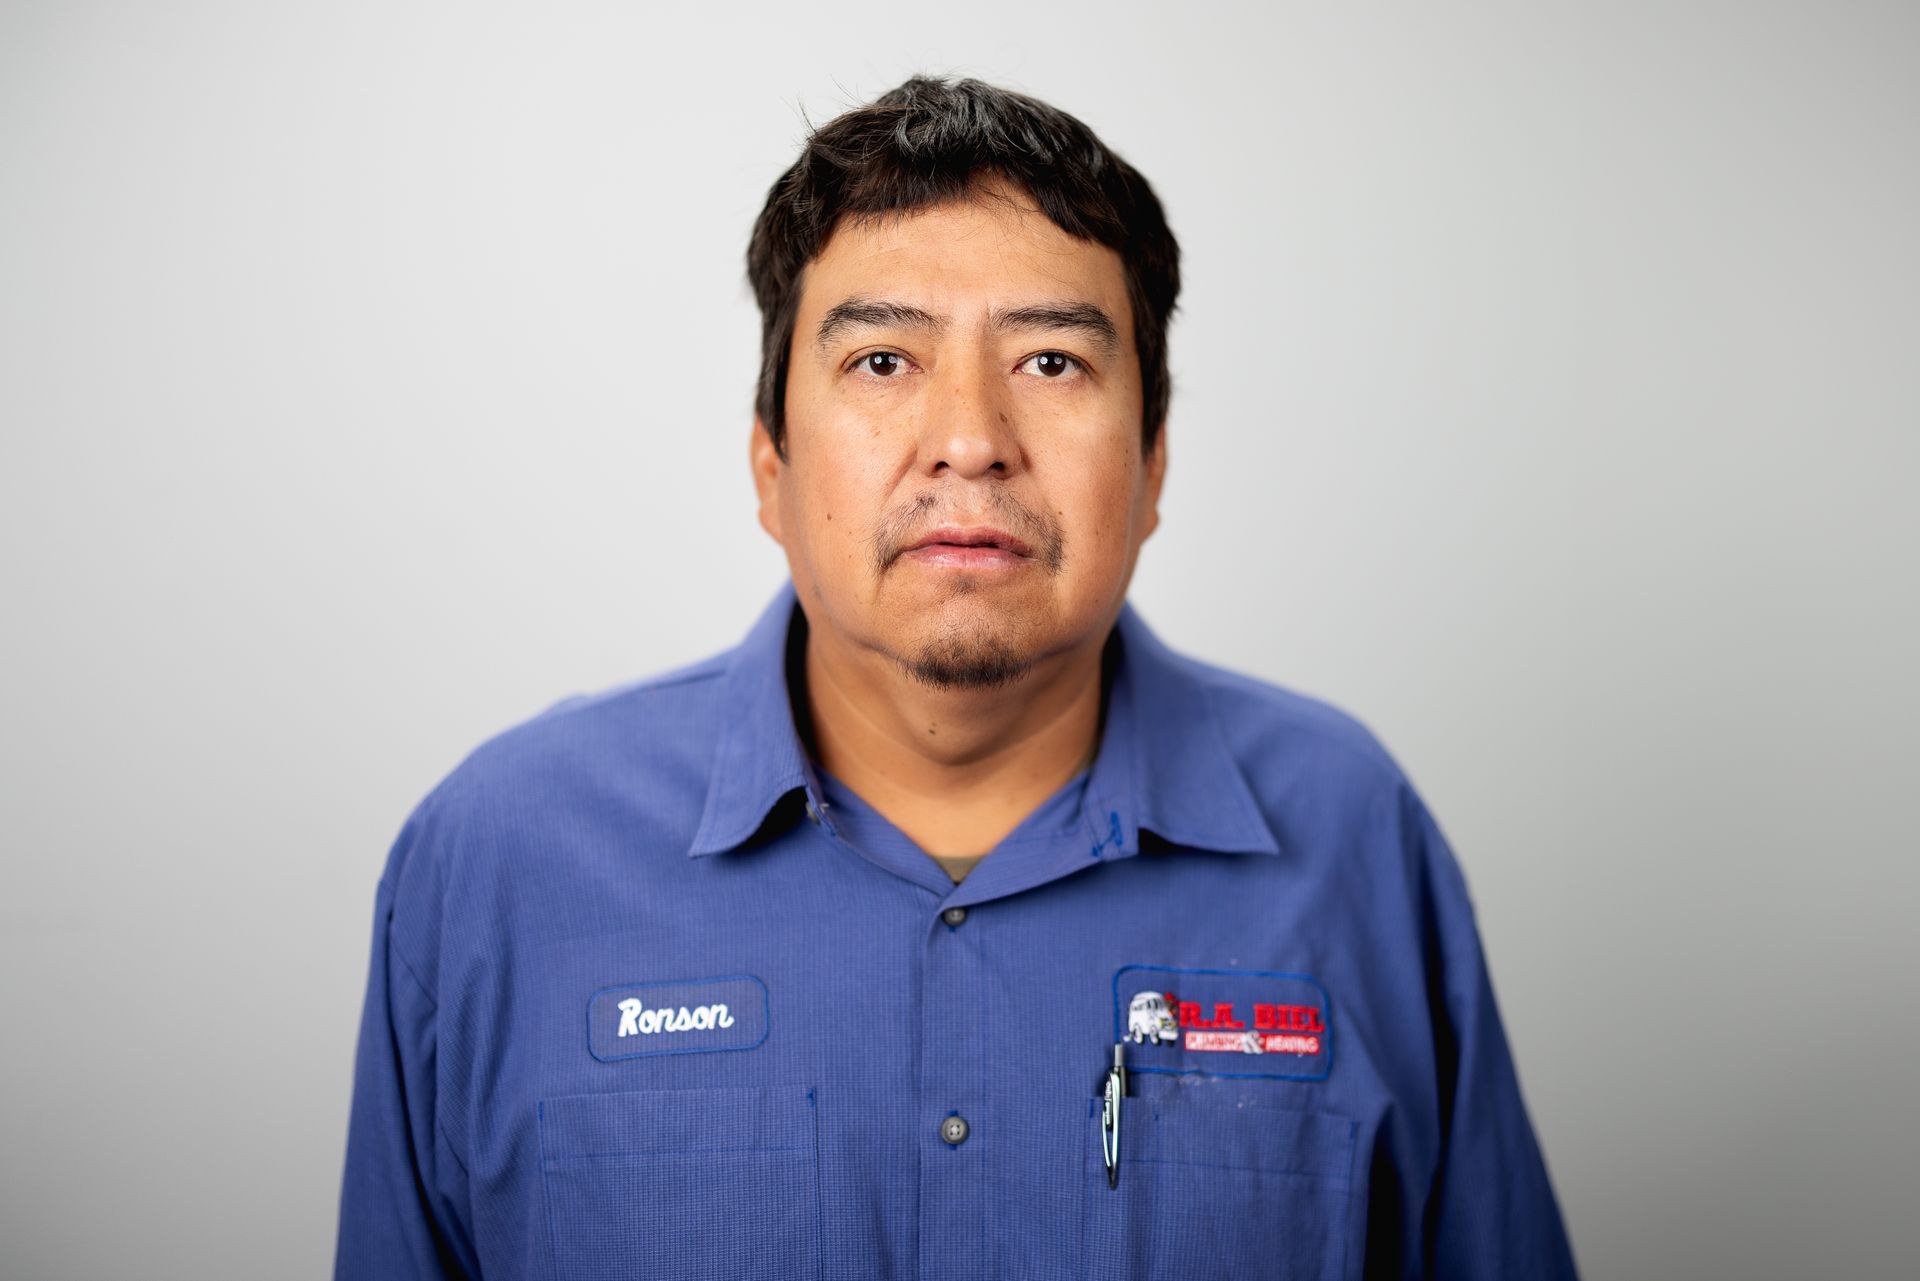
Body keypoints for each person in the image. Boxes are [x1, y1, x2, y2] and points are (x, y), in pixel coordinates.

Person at [334, 74, 1579, 1280]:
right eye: (883, 361)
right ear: (770, 467)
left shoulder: (1350, 837)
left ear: (1152, 467)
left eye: (1052, 361)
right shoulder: (502, 859)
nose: (972, 441)